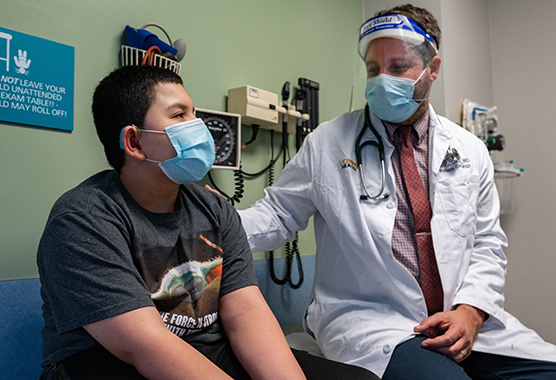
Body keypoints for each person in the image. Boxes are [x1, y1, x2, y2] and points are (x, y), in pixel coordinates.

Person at [238, 4, 556, 379]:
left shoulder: (469, 149)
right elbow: (276, 215)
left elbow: (487, 243)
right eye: (374, 69)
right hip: (371, 324)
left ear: (432, 69)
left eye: (398, 67)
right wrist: (207, 226)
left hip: (462, 318)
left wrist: (470, 313)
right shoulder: (328, 143)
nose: (381, 80)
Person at [37, 65, 378, 380]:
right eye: (178, 115)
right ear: (134, 142)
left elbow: (246, 314)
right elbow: (145, 345)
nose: (197, 126)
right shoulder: (83, 219)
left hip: (207, 350)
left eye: (194, 113)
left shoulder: (215, 208)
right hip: (106, 363)